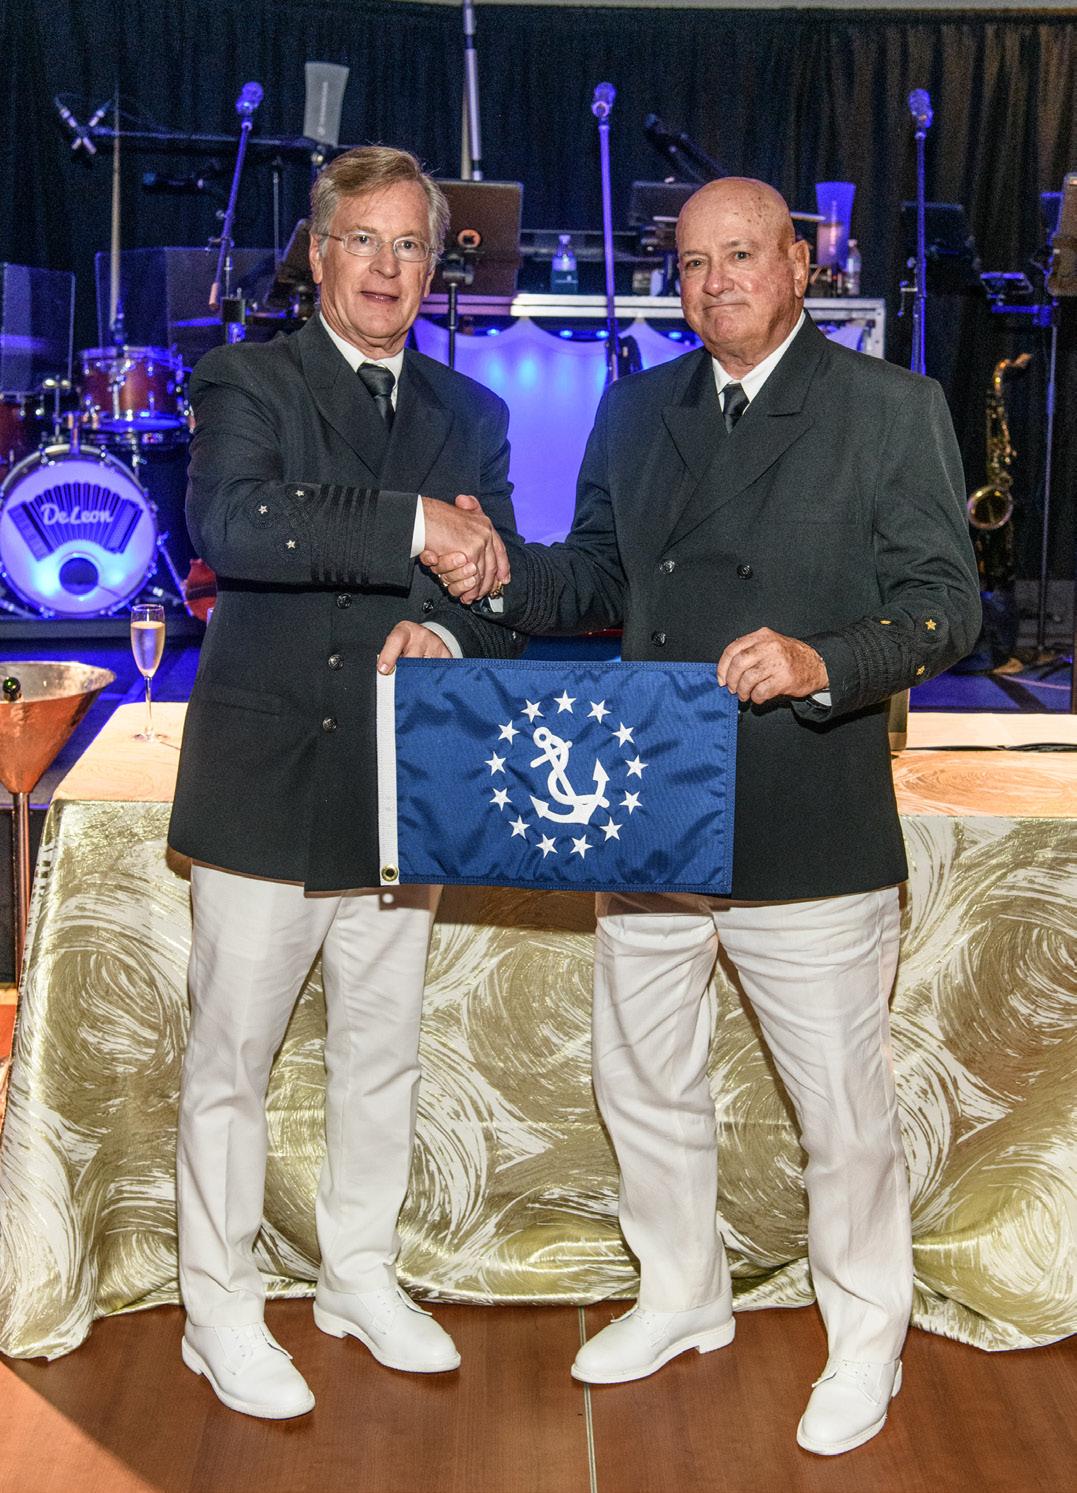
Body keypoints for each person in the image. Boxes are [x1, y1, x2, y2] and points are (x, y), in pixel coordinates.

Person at [425, 178, 980, 1456]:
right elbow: (598, 580)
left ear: (798, 265)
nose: (715, 280)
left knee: (841, 1111)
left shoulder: (890, 408)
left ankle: (866, 1334)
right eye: (691, 263)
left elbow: (947, 605)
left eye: (741, 255)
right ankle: (681, 1291)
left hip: (805, 807)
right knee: (644, 1076)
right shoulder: (636, 408)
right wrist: (498, 567)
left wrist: (824, 658)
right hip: (654, 801)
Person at [168, 145, 522, 1420]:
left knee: (382, 1051)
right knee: (233, 1059)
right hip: (266, 773)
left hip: (400, 778)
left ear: (435, 266)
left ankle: (356, 1274)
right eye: (361, 240)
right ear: (318, 254)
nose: (385, 266)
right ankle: (218, 1306)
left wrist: (451, 629)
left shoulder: (472, 410)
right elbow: (237, 526)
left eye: (410, 244)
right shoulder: (248, 379)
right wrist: (416, 523)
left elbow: (500, 583)